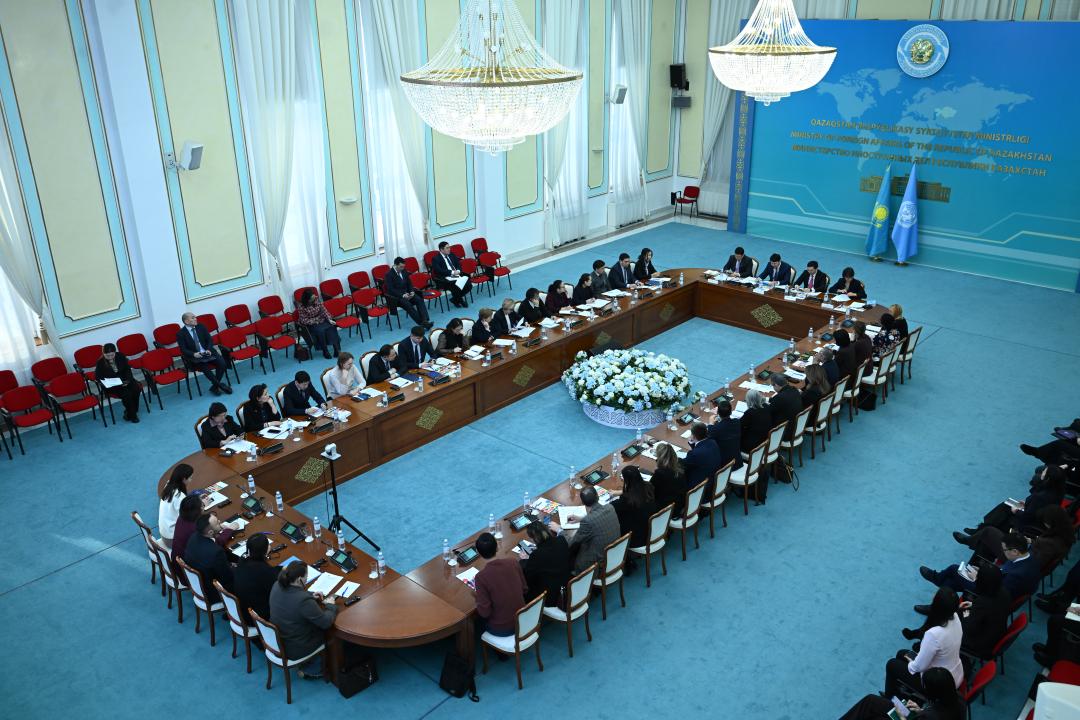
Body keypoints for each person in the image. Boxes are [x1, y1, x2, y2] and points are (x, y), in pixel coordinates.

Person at [884, 587, 964, 697]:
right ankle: (903, 689)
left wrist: (911, 663)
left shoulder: (934, 634)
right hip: (955, 673)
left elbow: (918, 667)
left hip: (937, 685)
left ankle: (889, 698)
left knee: (891, 664)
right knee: (901, 653)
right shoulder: (955, 617)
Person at [919, 532, 1041, 600]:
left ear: (1015, 551)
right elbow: (1002, 574)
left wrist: (979, 578)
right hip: (995, 583)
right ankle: (937, 604)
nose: (1003, 552)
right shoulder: (1028, 556)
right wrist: (983, 573)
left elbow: (995, 593)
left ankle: (937, 578)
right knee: (952, 582)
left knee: (954, 569)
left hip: (988, 596)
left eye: (1004, 550)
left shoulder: (1017, 575)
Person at [269, 561, 338, 679]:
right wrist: (331, 606)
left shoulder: (277, 585)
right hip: (297, 646)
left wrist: (310, 596)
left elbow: (292, 599)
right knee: (330, 631)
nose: (307, 579)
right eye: (306, 576)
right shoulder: (303, 600)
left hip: (279, 639)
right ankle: (314, 670)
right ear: (299, 579)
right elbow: (326, 622)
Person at [839, 667, 963, 720]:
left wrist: (901, 717)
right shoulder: (958, 698)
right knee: (871, 701)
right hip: (923, 716)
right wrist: (920, 710)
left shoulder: (932, 716)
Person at [474, 532, 526, 635]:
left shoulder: (481, 577)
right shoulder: (513, 562)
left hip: (502, 628)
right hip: (522, 619)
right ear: (497, 547)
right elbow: (524, 589)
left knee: (477, 622)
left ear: (479, 553)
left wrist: (476, 597)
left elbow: (485, 613)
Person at [957, 565, 1010, 661]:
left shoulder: (983, 602)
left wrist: (965, 610)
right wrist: (973, 605)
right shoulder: (1004, 592)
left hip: (979, 644)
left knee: (955, 615)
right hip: (995, 634)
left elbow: (968, 628)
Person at [563, 485, 620, 573]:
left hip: (596, 565)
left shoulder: (587, 521)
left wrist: (560, 530)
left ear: (583, 503)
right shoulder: (610, 507)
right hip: (614, 554)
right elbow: (598, 518)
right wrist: (582, 518)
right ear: (597, 496)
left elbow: (572, 543)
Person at [183, 513, 235, 604]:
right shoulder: (216, 552)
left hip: (199, 584)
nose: (220, 522)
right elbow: (228, 577)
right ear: (210, 532)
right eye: (217, 523)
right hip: (213, 592)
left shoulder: (193, 537)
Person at [176, 312, 231, 395]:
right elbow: (183, 349)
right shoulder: (181, 334)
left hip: (208, 352)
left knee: (222, 364)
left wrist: (208, 349)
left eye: (195, 317)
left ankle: (215, 387)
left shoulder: (201, 327)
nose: (195, 319)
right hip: (196, 356)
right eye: (192, 318)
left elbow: (210, 340)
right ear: (186, 321)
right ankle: (220, 385)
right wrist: (194, 354)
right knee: (205, 368)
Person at [522, 521, 571, 608]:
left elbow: (528, 578)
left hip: (550, 597)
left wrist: (525, 560)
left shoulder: (537, 555)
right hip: (565, 586)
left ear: (534, 539)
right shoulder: (561, 540)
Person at [233, 534, 280, 623]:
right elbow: (275, 589)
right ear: (265, 550)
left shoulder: (243, 559)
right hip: (257, 617)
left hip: (242, 607)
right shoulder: (264, 571)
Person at [95, 342, 143, 423]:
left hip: (125, 380)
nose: (110, 357)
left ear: (115, 352)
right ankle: (132, 416)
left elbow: (127, 370)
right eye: (107, 356)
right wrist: (107, 383)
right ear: (103, 354)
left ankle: (132, 411)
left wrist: (128, 380)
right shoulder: (100, 362)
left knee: (136, 389)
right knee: (126, 394)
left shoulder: (120, 356)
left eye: (112, 355)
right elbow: (98, 377)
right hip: (113, 385)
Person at [612, 466, 656, 548]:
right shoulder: (648, 486)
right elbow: (635, 490)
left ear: (627, 481)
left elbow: (612, 507)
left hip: (636, 538)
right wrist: (621, 492)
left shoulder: (627, 499)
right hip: (651, 529)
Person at [383, 256, 432, 328]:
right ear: (395, 265)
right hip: (397, 297)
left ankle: (425, 320)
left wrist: (411, 291)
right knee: (408, 305)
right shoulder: (389, 274)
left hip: (408, 293)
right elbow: (391, 289)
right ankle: (422, 323)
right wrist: (402, 295)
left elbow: (409, 283)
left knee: (419, 300)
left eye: (403, 267)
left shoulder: (404, 270)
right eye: (401, 267)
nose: (402, 268)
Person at [296, 288, 341, 359]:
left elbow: (324, 311)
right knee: (320, 331)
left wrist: (329, 319)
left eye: (314, 297)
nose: (314, 299)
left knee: (332, 327)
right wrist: (315, 320)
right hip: (311, 324)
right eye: (311, 299)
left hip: (321, 320)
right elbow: (303, 320)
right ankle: (325, 351)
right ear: (307, 299)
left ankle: (336, 349)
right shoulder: (301, 307)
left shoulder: (316, 300)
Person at [682, 422, 722, 495]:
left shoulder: (694, 454)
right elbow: (701, 451)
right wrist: (692, 443)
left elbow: (683, 465)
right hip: (714, 481)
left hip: (701, 489)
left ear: (693, 436)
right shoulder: (713, 442)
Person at [158, 463, 192, 549]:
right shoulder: (179, 496)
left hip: (165, 534)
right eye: (190, 478)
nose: (191, 480)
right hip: (172, 540)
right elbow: (187, 519)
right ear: (184, 479)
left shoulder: (168, 485)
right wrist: (201, 505)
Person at [431, 240, 472, 308]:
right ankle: (460, 300)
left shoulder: (451, 255)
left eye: (449, 247)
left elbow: (458, 264)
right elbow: (439, 270)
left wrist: (458, 270)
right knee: (455, 286)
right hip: (445, 278)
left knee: (469, 285)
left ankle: (455, 299)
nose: (449, 249)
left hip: (456, 275)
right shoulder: (436, 259)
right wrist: (452, 272)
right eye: (447, 248)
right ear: (441, 250)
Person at [652, 442, 687, 516]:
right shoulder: (680, 465)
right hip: (680, 504)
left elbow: (651, 490)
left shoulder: (660, 473)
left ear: (659, 457)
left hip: (667, 510)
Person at [707, 399, 742, 471]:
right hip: (738, 461)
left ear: (718, 413)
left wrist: (710, 423)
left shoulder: (716, 429)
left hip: (724, 467)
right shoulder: (737, 422)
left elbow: (708, 438)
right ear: (731, 412)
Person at [170, 496, 203, 567]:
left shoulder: (181, 517)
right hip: (187, 568)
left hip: (176, 560)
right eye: (202, 505)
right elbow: (209, 547)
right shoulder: (196, 530)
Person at [769, 374, 802, 441]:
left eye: (773, 385)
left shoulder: (779, 398)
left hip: (786, 431)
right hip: (797, 425)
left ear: (776, 385)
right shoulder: (794, 390)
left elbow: (769, 412)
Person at [740, 389, 772, 454]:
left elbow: (739, 425)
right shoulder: (766, 406)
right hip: (765, 439)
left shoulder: (750, 412)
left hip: (753, 446)